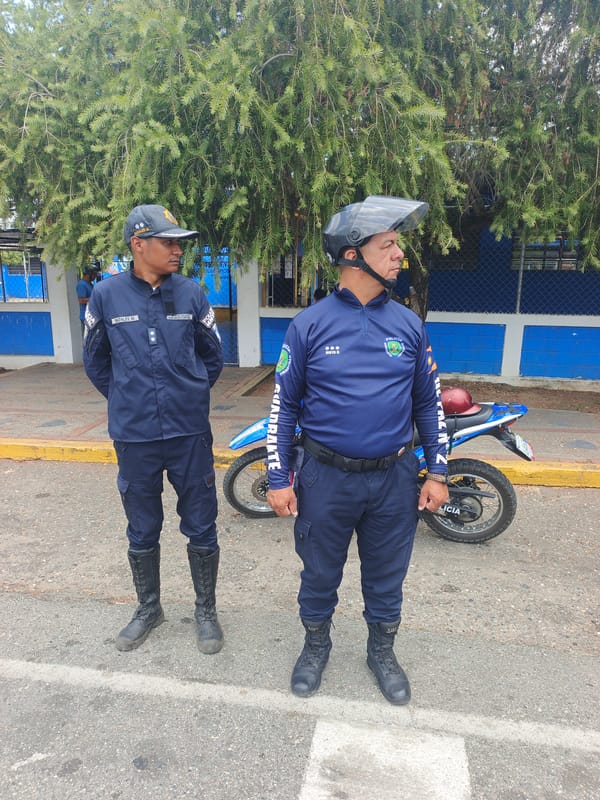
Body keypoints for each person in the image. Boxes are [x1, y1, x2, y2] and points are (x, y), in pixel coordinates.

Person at [266, 196, 449, 705]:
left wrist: (437, 470)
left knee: (387, 575)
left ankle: (382, 652)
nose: (399, 256)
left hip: (392, 480)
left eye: (398, 245)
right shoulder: (309, 325)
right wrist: (279, 477)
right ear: (352, 255)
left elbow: (429, 404)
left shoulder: (409, 325)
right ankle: (315, 646)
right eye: (388, 245)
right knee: (320, 571)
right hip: (326, 478)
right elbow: (283, 407)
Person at [83, 204, 225, 655]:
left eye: (179, 242)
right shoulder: (106, 296)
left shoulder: (192, 294)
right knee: (142, 528)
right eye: (168, 242)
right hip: (135, 434)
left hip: (188, 432)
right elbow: (95, 361)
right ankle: (149, 608)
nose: (177, 250)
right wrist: (128, 396)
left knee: (201, 525)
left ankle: (206, 610)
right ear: (137, 245)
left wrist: (189, 393)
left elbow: (213, 356)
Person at [76, 266, 99, 335]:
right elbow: (81, 300)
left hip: (92, 317)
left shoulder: (90, 284)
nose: (95, 277)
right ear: (89, 274)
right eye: (94, 275)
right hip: (86, 317)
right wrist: (95, 298)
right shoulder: (82, 285)